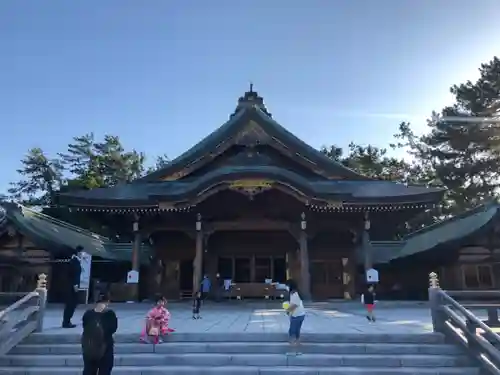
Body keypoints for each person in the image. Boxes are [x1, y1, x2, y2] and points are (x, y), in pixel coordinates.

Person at [81, 292, 118, 375]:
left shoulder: (88, 314)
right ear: (108, 301)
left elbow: (85, 327)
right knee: (105, 370)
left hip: (89, 348)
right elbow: (113, 329)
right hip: (105, 346)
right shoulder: (110, 314)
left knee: (89, 370)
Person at [284, 279, 306, 356]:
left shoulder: (294, 294)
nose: (286, 287)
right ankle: (297, 351)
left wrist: (287, 310)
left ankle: (293, 351)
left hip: (297, 316)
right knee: (296, 333)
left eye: (287, 285)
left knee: (292, 333)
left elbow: (294, 304)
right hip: (299, 315)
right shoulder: (295, 293)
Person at [62, 246, 82, 328]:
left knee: (72, 304)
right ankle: (66, 322)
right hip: (73, 286)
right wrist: (75, 285)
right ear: (78, 252)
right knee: (71, 304)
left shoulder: (74, 260)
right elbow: (74, 274)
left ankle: (67, 321)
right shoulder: (75, 261)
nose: (82, 254)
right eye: (81, 252)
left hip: (72, 285)